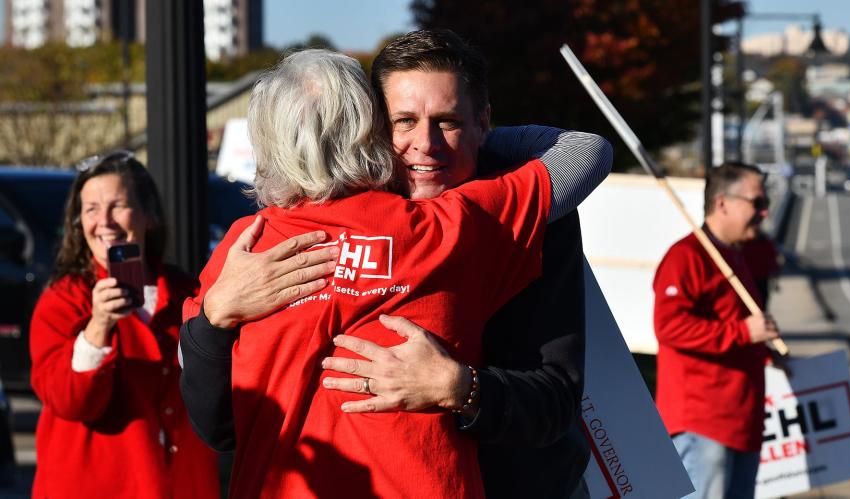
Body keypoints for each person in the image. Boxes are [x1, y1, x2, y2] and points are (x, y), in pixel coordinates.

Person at [181, 29, 604, 499]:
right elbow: (219, 423)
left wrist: (460, 386)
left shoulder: (248, 241)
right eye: (403, 121)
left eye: (447, 121)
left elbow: (555, 397)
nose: (425, 144)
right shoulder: (440, 228)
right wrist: (214, 319)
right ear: (372, 128)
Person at [28, 152, 219, 498]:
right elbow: (69, 402)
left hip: (181, 485)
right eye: (91, 209)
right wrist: (98, 326)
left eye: (117, 205)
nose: (105, 221)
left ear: (148, 216)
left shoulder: (189, 293)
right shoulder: (63, 301)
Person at [653, 162, 783, 499]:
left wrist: (761, 350)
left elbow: (731, 327)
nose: (765, 211)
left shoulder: (738, 256)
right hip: (703, 423)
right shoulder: (687, 257)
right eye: (757, 202)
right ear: (723, 202)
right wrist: (743, 332)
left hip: (742, 421)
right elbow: (669, 328)